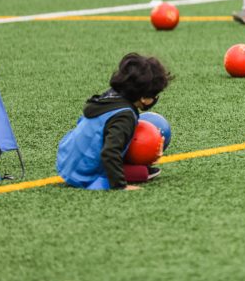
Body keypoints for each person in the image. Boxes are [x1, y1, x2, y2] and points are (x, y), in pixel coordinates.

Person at [56, 53, 172, 191]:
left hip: (66, 161)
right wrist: (120, 186)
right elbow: (110, 152)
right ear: (143, 98)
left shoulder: (110, 96)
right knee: (143, 172)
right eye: (155, 95)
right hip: (83, 173)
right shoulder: (125, 116)